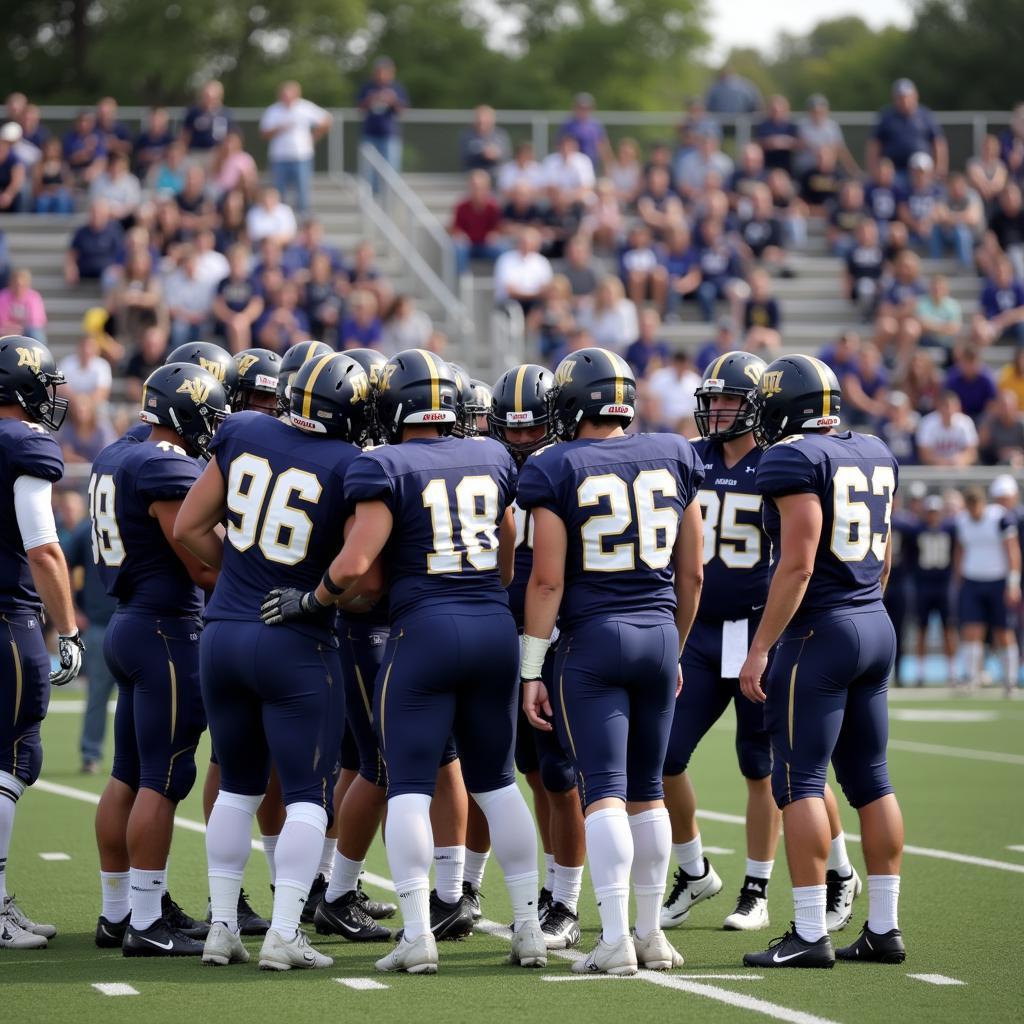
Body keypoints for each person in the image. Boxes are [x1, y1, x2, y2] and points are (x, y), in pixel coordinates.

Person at [261, 348, 548, 975]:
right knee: (497, 783)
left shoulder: (382, 464)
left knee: (410, 785)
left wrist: (313, 599)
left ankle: (418, 934)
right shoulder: (494, 454)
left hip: (422, 631)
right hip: (492, 626)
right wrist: (490, 597)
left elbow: (357, 562)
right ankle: (527, 927)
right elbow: (504, 545)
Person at [173, 353, 370, 970]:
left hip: (225, 631)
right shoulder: (352, 464)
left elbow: (187, 526)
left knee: (236, 784)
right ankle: (285, 931)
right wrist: (321, 596)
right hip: (296, 637)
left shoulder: (242, 431)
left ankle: (223, 926)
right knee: (308, 794)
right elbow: (360, 576)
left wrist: (236, 574)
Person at [517, 347, 704, 976]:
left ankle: (617, 938)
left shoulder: (554, 465)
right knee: (649, 794)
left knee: (604, 793)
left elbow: (546, 582)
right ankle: (651, 935)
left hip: (592, 641)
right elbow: (694, 573)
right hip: (656, 634)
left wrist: (531, 668)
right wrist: (674, 645)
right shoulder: (676, 452)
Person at [739, 354, 906, 969]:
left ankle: (810, 931)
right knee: (871, 778)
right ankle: (884, 927)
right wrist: (863, 613)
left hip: (820, 632)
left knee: (798, 781)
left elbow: (800, 561)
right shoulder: (874, 449)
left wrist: (761, 647)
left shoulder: (793, 457)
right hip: (872, 620)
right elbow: (883, 555)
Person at [89, 363, 228, 957]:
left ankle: (118, 911)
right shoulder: (164, 465)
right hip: (165, 630)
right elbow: (199, 561)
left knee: (127, 773)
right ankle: (146, 919)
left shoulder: (119, 455)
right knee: (164, 777)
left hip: (131, 623)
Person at [485, 364, 587, 949]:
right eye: (513, 430)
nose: (523, 441)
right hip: (500, 631)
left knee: (561, 774)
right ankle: (548, 889)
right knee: (525, 771)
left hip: (556, 635)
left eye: (533, 429)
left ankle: (567, 903)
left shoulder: (571, 468)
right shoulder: (486, 466)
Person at [0, 336, 83, 950]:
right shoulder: (23, 444)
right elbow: (45, 546)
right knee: (13, 755)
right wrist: (70, 630)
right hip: (7, 617)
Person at [63, 506, 118, 772]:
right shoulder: (88, 529)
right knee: (99, 693)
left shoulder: (89, 527)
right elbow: (61, 562)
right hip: (103, 623)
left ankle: (94, 754)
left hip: (123, 621)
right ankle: (91, 753)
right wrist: (71, 609)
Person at [954, 485, 1021, 694]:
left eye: (976, 505)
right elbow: (960, 550)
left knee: (1003, 631)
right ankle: (971, 677)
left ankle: (1010, 681)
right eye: (969, 506)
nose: (973, 510)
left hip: (998, 580)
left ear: (983, 503)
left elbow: (1013, 550)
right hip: (973, 580)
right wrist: (958, 579)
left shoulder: (1000, 518)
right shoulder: (963, 521)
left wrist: (1013, 583)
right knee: (972, 630)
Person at [260, 81, 331, 216]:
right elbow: (264, 133)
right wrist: (279, 129)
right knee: (278, 192)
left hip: (301, 157)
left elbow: (327, 120)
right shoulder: (273, 110)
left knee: (302, 192)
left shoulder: (305, 107)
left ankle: (303, 221)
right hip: (279, 157)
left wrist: (314, 136)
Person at [907, 495, 957, 687]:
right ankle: (920, 673)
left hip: (944, 585)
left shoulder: (950, 529)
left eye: (936, 512)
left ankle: (952, 672)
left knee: (948, 628)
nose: (933, 516)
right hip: (924, 585)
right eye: (930, 512)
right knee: (921, 629)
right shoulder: (916, 530)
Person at [868, 79, 947, 185]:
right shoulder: (886, 117)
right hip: (894, 172)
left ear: (915, 96)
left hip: (922, 172)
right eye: (900, 97)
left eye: (907, 96)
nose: (904, 100)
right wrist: (874, 169)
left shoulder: (926, 116)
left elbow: (938, 142)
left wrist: (940, 167)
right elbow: (874, 144)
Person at [358, 57, 408, 175]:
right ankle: (371, 193)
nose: (381, 74)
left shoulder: (397, 88)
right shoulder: (367, 87)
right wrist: (370, 99)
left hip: (389, 135)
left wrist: (393, 100)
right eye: (378, 71)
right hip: (369, 134)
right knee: (368, 170)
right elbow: (359, 109)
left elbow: (402, 111)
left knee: (391, 170)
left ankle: (389, 194)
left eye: (384, 71)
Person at [181, 81, 235, 159]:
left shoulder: (225, 114)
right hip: (195, 152)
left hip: (217, 154)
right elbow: (185, 135)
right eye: (206, 96)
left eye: (212, 97)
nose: (209, 100)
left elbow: (230, 137)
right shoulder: (193, 112)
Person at [460, 105, 510, 177]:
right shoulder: (467, 136)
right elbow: (465, 156)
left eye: (485, 120)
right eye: (479, 120)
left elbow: (507, 156)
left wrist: (496, 154)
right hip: (475, 174)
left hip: (497, 174)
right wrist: (481, 153)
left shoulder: (500, 135)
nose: (482, 123)